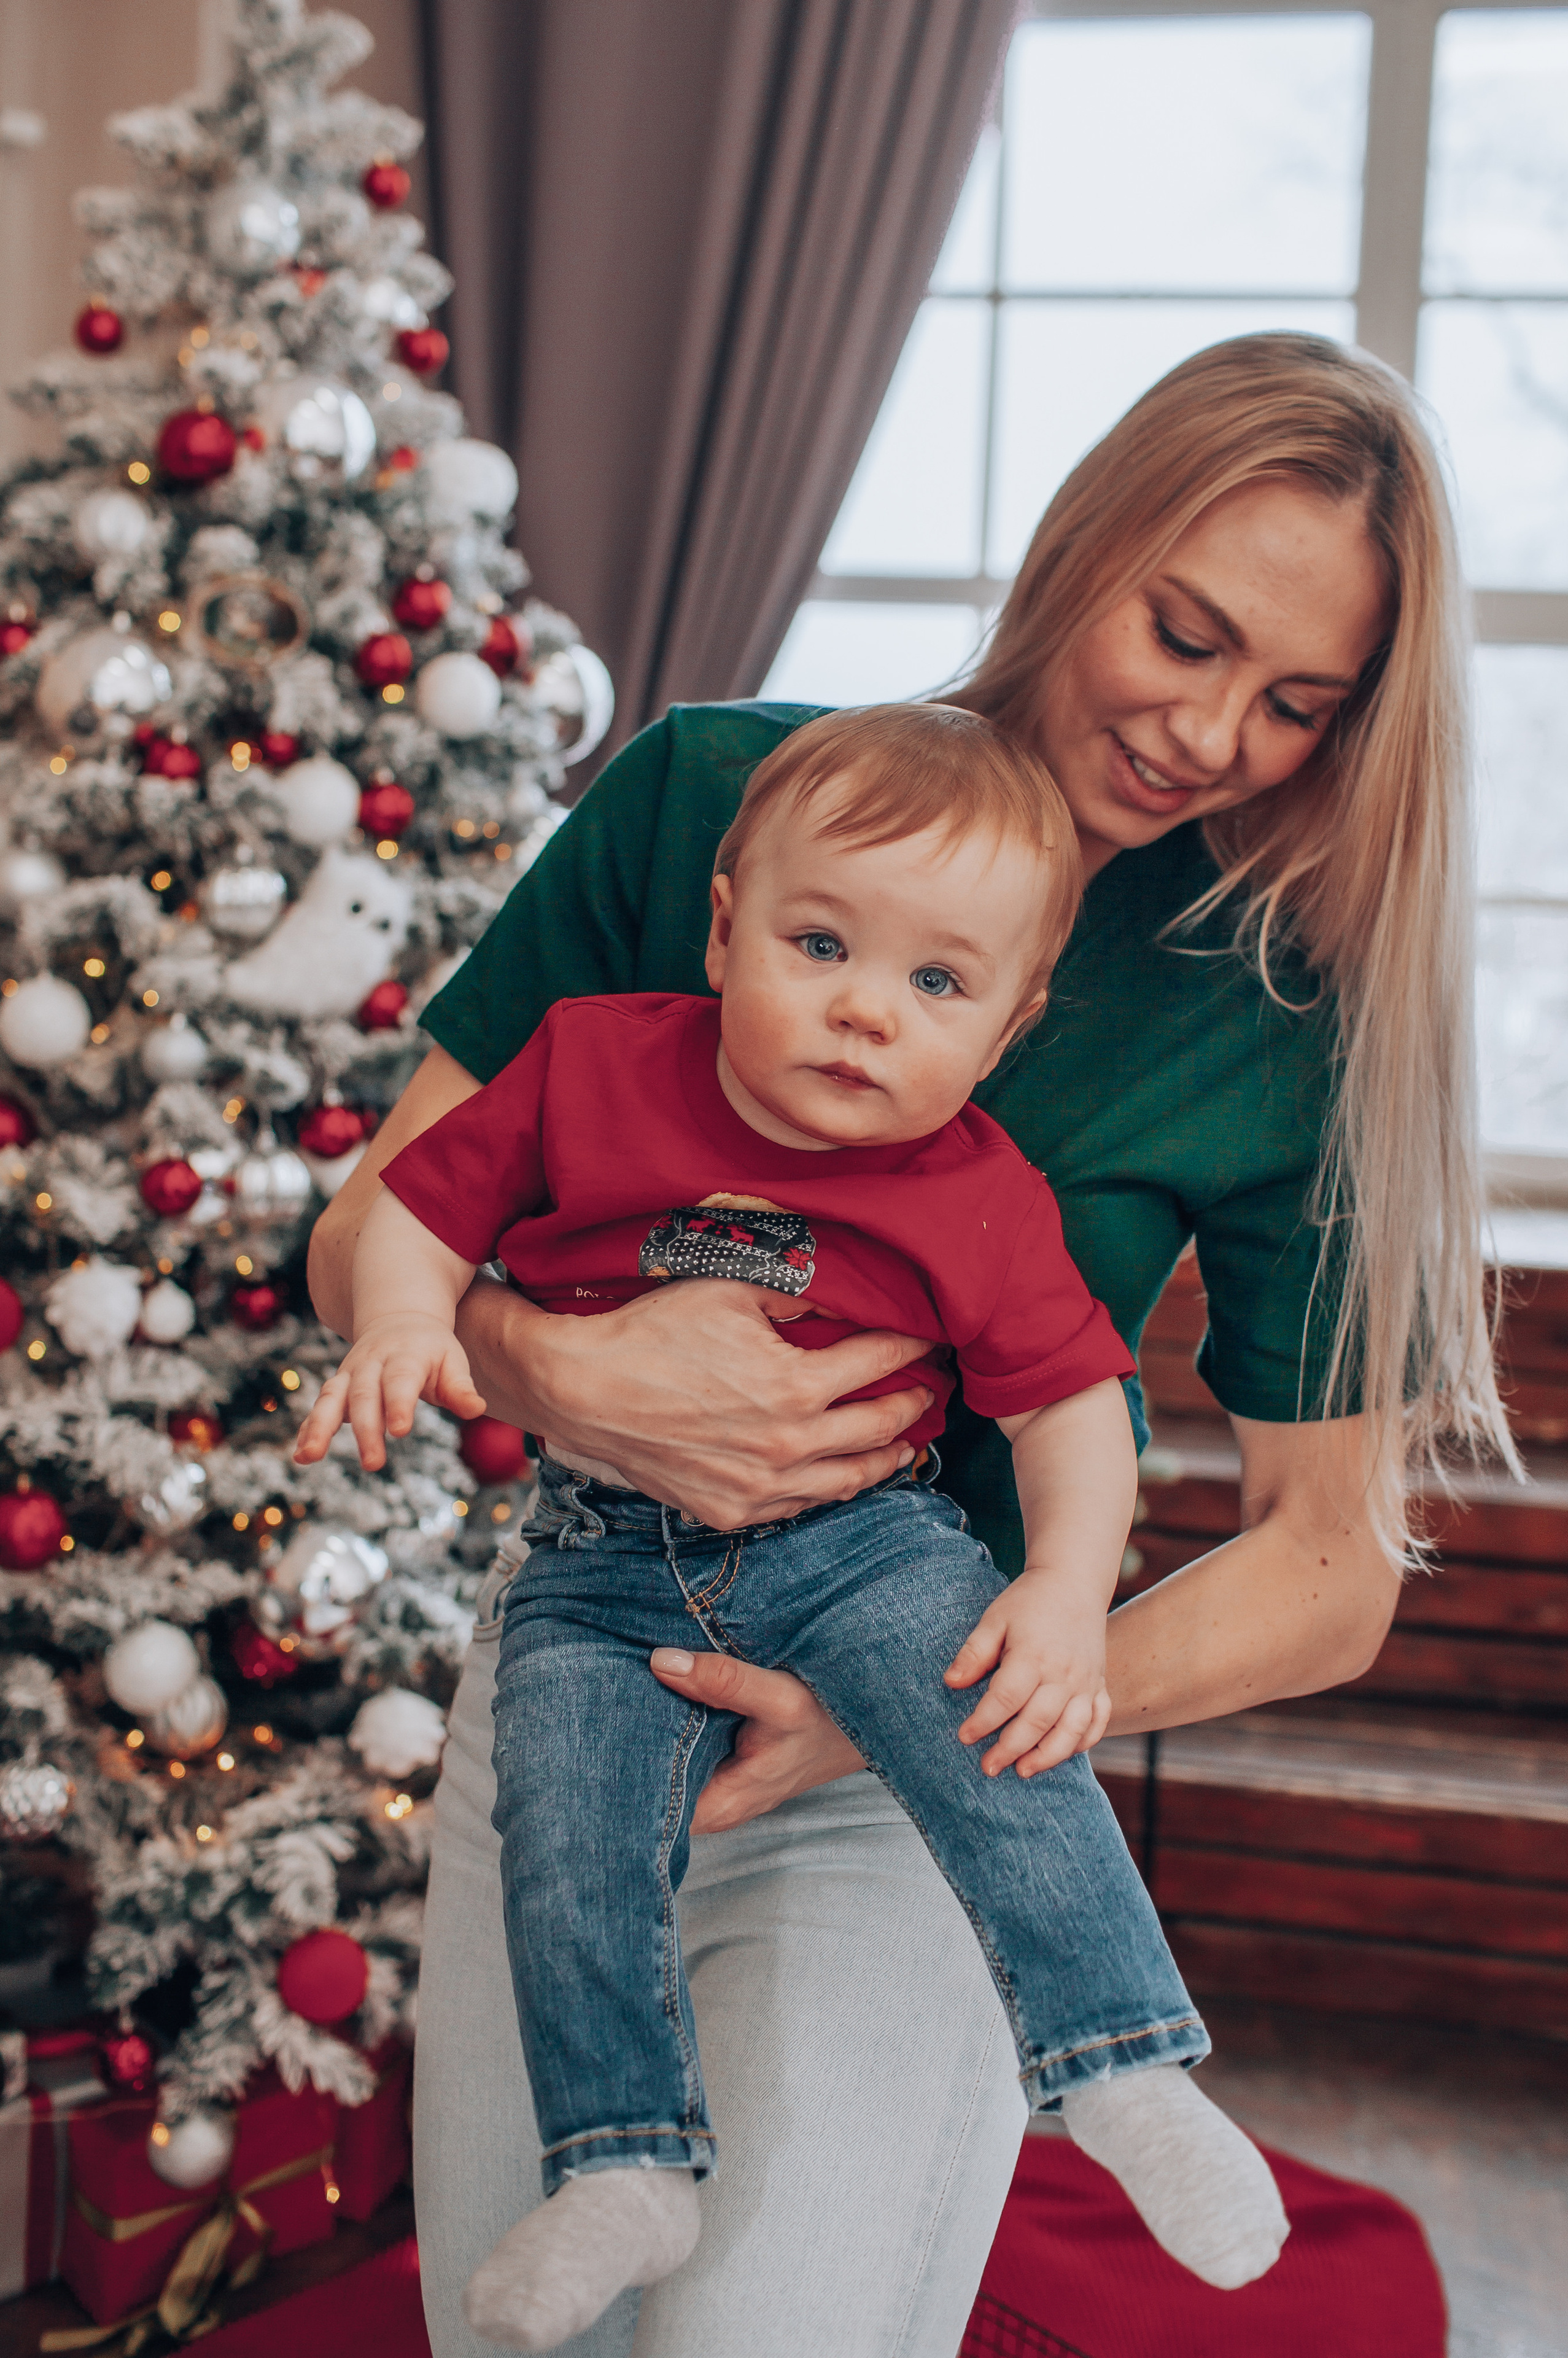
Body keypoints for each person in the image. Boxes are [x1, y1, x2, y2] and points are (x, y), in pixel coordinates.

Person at [308, 333, 1512, 2358]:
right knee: (534, 2323)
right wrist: (553, 1371)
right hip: (589, 1670)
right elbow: (381, 1222)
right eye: (1185, 634)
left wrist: (933, 1713)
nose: (1212, 732)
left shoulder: (1283, 1008)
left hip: (920, 1739)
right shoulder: (710, 790)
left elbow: (1330, 1570)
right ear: (1087, 539)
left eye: (1299, 703)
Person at [299, 706, 1290, 2351]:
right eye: (820, 942)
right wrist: (413, 1326)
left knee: (1004, 1749)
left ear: (1010, 1025)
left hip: (868, 1551)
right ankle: (621, 2160)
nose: (860, 1010)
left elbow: (1067, 1410)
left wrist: (1057, 1594)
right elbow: (409, 1210)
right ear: (722, 924)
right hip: (600, 1564)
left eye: (936, 987)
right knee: (571, 1835)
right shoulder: (597, 1062)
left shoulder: (975, 1186)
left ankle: (1125, 2070)